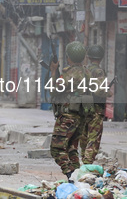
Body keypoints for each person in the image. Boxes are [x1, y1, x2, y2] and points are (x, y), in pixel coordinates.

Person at [50, 41, 92, 181]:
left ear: (69, 57)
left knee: (57, 148)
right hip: (81, 115)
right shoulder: (87, 72)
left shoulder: (69, 74)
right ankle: (78, 177)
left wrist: (53, 71)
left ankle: (70, 175)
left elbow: (54, 90)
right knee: (71, 148)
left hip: (68, 116)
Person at [79, 44, 110, 164]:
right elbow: (100, 90)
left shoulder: (83, 69)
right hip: (95, 108)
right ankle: (87, 163)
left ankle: (84, 159)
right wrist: (108, 92)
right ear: (101, 58)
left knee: (84, 135)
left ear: (89, 57)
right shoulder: (98, 71)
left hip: (83, 106)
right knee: (94, 136)